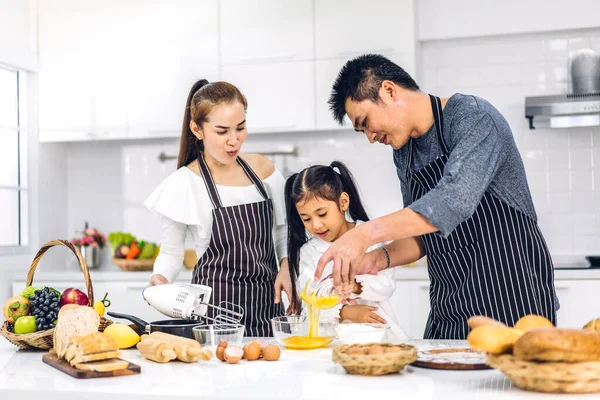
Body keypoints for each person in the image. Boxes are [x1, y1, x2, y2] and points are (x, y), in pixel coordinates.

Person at [316, 54, 558, 339]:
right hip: (450, 306)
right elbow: (423, 232)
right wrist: (377, 259)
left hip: (511, 301)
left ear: (389, 91)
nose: (369, 136)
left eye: (365, 121)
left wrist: (364, 234)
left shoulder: (473, 117)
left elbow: (452, 202)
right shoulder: (404, 152)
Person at [144, 79, 292, 337]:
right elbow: (171, 253)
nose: (234, 141)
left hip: (269, 308)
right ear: (197, 129)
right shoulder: (183, 183)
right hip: (214, 315)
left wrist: (286, 266)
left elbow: (282, 232)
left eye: (241, 128)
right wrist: (161, 279)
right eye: (222, 131)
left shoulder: (264, 171)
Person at [285, 160, 409, 340]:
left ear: (343, 202)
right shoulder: (309, 252)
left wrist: (357, 286)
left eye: (322, 214)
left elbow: (387, 286)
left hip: (377, 336)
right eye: (306, 219)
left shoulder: (369, 236)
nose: (316, 225)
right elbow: (310, 303)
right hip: (330, 340)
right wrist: (344, 312)